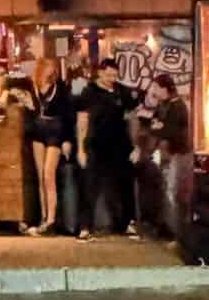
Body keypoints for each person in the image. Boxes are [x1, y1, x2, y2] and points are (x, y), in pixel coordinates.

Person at [75, 58, 139, 240]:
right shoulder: (89, 92)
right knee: (89, 186)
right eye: (109, 75)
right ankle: (85, 226)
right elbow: (82, 121)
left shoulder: (123, 92)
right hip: (95, 145)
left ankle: (127, 223)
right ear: (100, 73)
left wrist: (135, 146)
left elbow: (132, 119)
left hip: (120, 146)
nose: (112, 78)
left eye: (115, 75)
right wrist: (80, 148)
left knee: (124, 185)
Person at [26, 57, 73, 236]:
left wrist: (67, 139)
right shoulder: (33, 87)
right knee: (40, 176)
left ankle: (52, 219)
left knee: (48, 174)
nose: (51, 71)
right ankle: (43, 218)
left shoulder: (60, 88)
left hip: (55, 130)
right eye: (48, 68)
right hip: (38, 129)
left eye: (53, 68)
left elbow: (68, 114)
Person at [148, 73, 190, 239]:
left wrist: (159, 127)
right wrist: (158, 127)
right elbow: (154, 125)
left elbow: (168, 130)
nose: (154, 91)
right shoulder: (162, 106)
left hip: (176, 154)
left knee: (171, 191)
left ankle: (174, 231)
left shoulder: (177, 106)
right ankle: (166, 226)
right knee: (165, 189)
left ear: (166, 88)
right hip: (165, 153)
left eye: (157, 87)